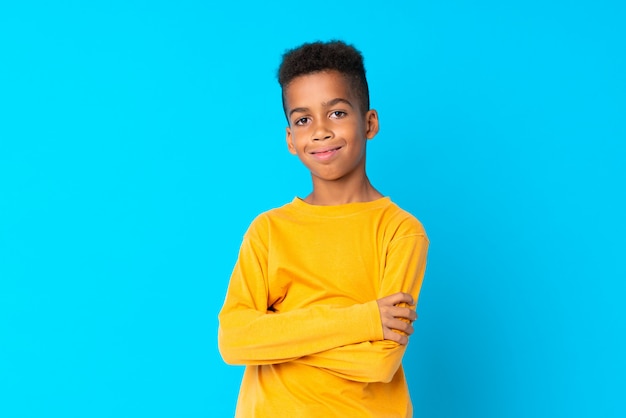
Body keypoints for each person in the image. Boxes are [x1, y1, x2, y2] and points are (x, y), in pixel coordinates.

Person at [218, 40, 429, 417]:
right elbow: (235, 340)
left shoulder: (400, 231)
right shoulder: (268, 231)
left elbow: (378, 363)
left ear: (369, 123)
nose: (320, 131)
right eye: (303, 120)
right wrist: (363, 320)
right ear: (290, 140)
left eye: (336, 113)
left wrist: (276, 336)